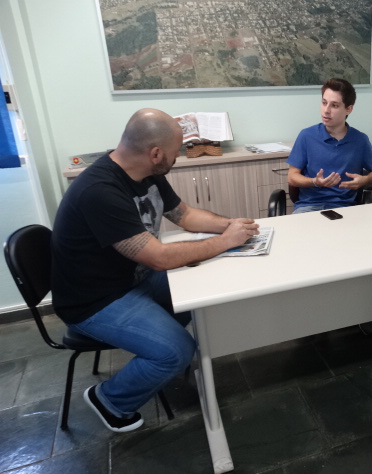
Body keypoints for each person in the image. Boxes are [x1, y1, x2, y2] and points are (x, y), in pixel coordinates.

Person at [51, 108, 259, 433]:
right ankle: (110, 400)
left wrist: (229, 226)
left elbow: (184, 215)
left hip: (132, 280)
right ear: (156, 153)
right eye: (176, 151)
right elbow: (159, 258)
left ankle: (162, 340)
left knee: (201, 287)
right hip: (95, 300)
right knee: (177, 351)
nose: (177, 157)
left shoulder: (145, 171)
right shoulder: (100, 191)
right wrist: (225, 243)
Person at [287, 78, 372, 213]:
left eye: (334, 105)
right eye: (324, 103)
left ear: (349, 109)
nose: (326, 110)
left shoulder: (360, 140)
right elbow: (292, 177)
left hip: (345, 208)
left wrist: (364, 180)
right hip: (309, 207)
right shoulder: (306, 136)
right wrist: (315, 182)